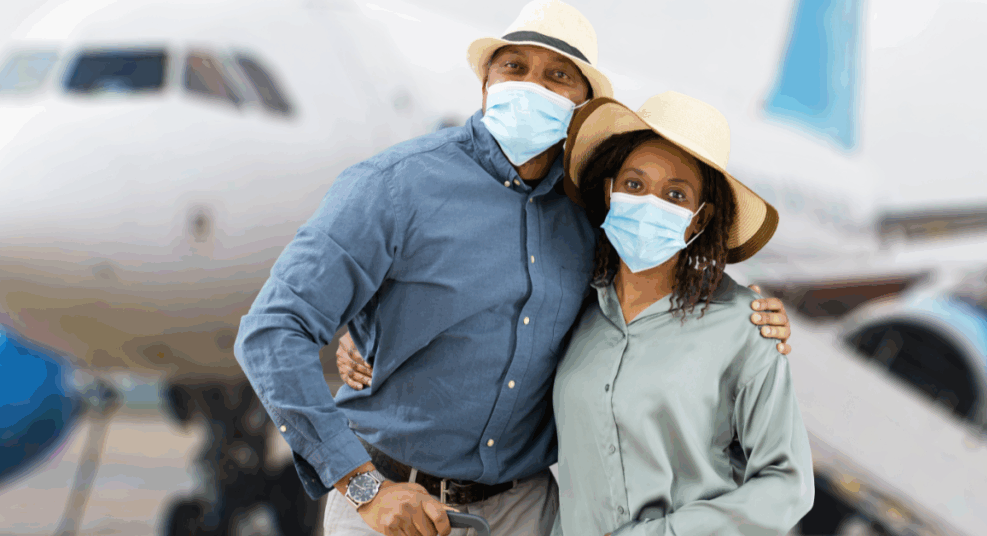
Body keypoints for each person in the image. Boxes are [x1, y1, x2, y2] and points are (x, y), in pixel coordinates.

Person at [235, 2, 793, 536]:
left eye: (557, 75)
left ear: (581, 105)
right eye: (514, 67)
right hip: (391, 504)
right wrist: (364, 488)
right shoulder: (393, 186)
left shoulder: (591, 217)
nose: (531, 85)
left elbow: (659, 269)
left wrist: (751, 310)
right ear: (485, 84)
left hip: (526, 512)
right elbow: (271, 330)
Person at [549, 92, 814, 536]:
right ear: (610, 190)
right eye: (634, 184)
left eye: (675, 194)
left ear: (698, 219)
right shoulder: (576, 310)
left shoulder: (744, 325)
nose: (650, 202)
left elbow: (788, 484)